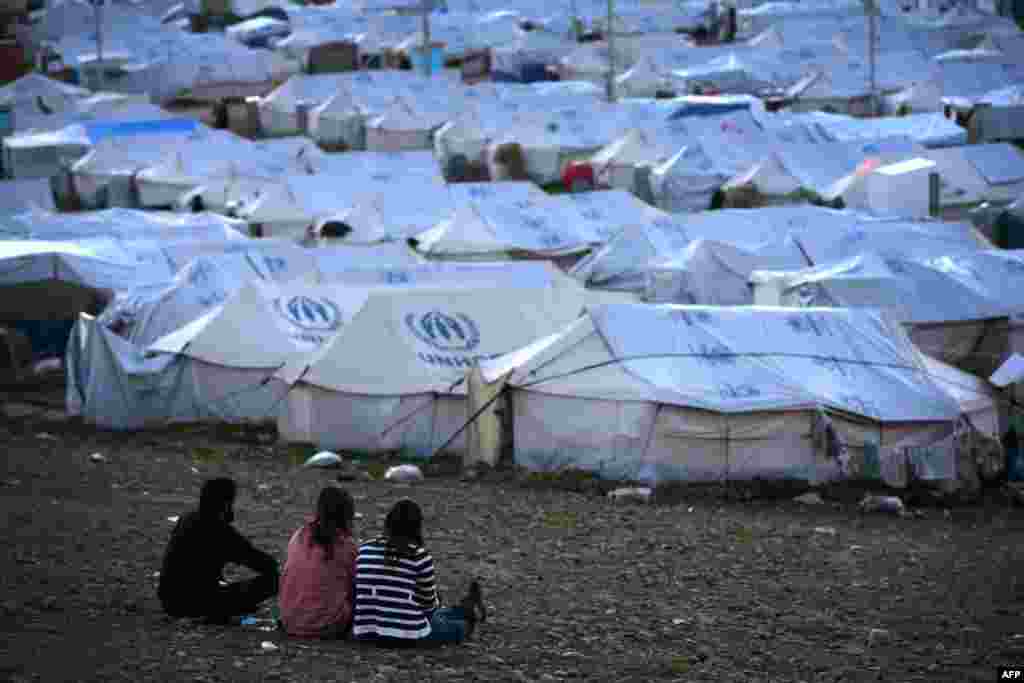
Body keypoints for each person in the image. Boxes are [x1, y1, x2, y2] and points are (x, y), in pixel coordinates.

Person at [352, 499, 486, 646]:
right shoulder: (418, 555)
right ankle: (467, 616)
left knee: (422, 612)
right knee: (451, 627)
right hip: (408, 636)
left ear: (387, 523)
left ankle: (462, 609)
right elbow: (428, 606)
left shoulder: (365, 549)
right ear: (417, 527)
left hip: (365, 632)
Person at [158, 477, 279, 622]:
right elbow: (261, 562)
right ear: (226, 502)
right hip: (196, 603)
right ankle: (222, 609)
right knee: (274, 582)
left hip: (169, 602)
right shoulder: (219, 530)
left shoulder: (187, 519)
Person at [279, 486, 359, 639]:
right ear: (347, 516)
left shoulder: (299, 535)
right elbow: (355, 588)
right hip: (328, 626)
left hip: (290, 621)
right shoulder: (346, 546)